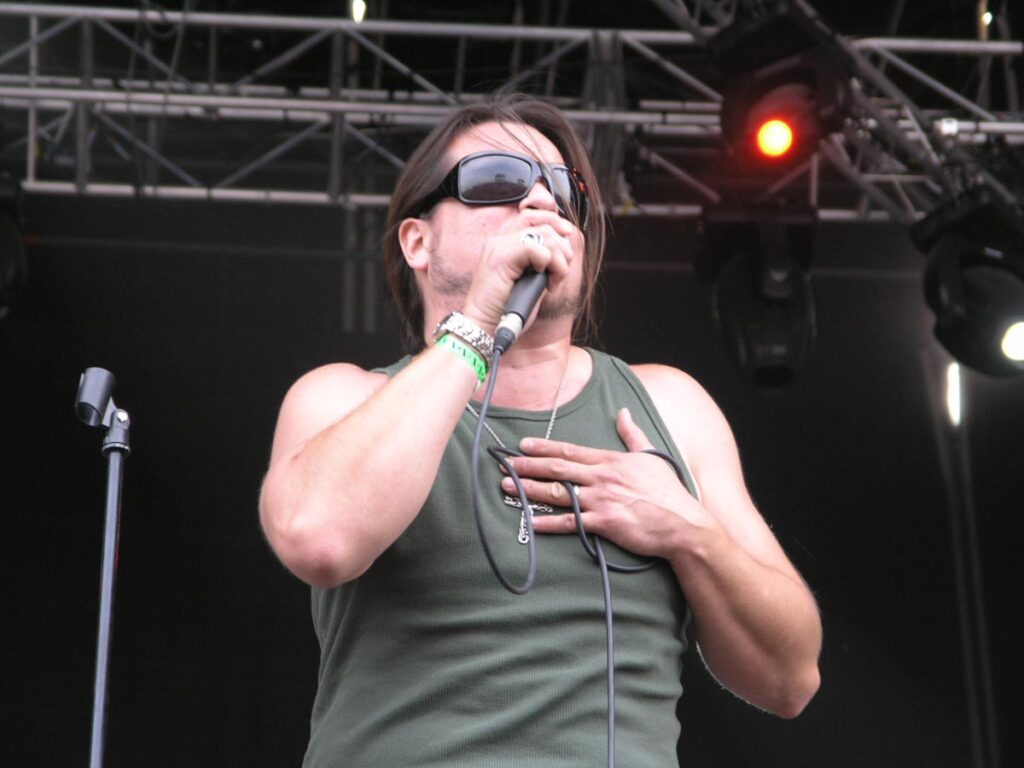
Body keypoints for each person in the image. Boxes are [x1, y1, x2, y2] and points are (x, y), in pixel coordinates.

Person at [259, 93, 821, 768]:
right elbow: (320, 540)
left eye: (564, 190)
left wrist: (688, 530)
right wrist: (476, 324)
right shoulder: (344, 397)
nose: (541, 203)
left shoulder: (669, 406)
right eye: (497, 181)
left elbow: (790, 678)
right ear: (418, 241)